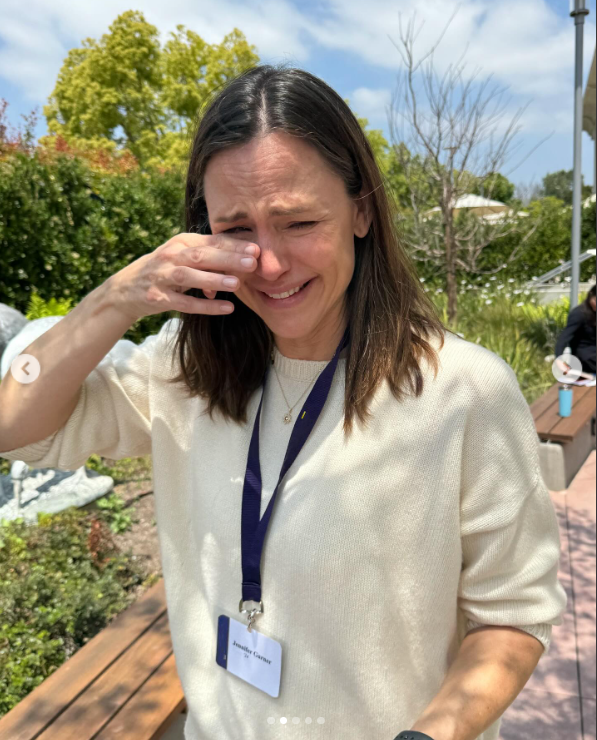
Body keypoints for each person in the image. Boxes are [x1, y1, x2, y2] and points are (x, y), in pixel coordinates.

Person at [0, 66, 567, 740]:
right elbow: (17, 427)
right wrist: (116, 298)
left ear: (361, 210)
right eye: (235, 228)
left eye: (297, 221)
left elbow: (512, 616)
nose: (267, 264)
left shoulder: (461, 391)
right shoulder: (185, 368)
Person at [555, 284, 596, 375]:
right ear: (591, 295)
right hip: (585, 357)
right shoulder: (579, 313)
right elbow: (564, 337)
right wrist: (559, 359)